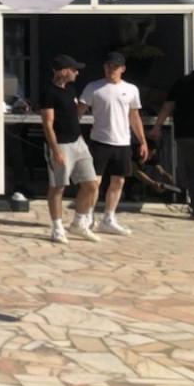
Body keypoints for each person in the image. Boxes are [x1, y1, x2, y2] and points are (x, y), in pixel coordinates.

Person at [77, 52, 147, 236]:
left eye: (114, 67)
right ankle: (87, 216)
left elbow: (134, 116)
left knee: (119, 180)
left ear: (122, 69)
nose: (111, 70)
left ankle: (109, 217)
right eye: (108, 66)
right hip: (99, 140)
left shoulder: (131, 89)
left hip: (122, 142)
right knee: (94, 182)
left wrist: (142, 141)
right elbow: (79, 111)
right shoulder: (94, 87)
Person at [39, 55, 100, 243]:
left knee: (91, 184)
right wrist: (55, 149)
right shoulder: (49, 92)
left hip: (78, 142)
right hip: (61, 144)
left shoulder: (71, 90)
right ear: (64, 71)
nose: (77, 73)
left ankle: (79, 223)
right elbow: (48, 123)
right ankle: (57, 228)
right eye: (74, 69)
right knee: (58, 187)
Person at [152, 59, 194, 220]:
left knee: (193, 173)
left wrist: (157, 127)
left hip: (185, 135)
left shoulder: (182, 81)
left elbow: (167, 106)